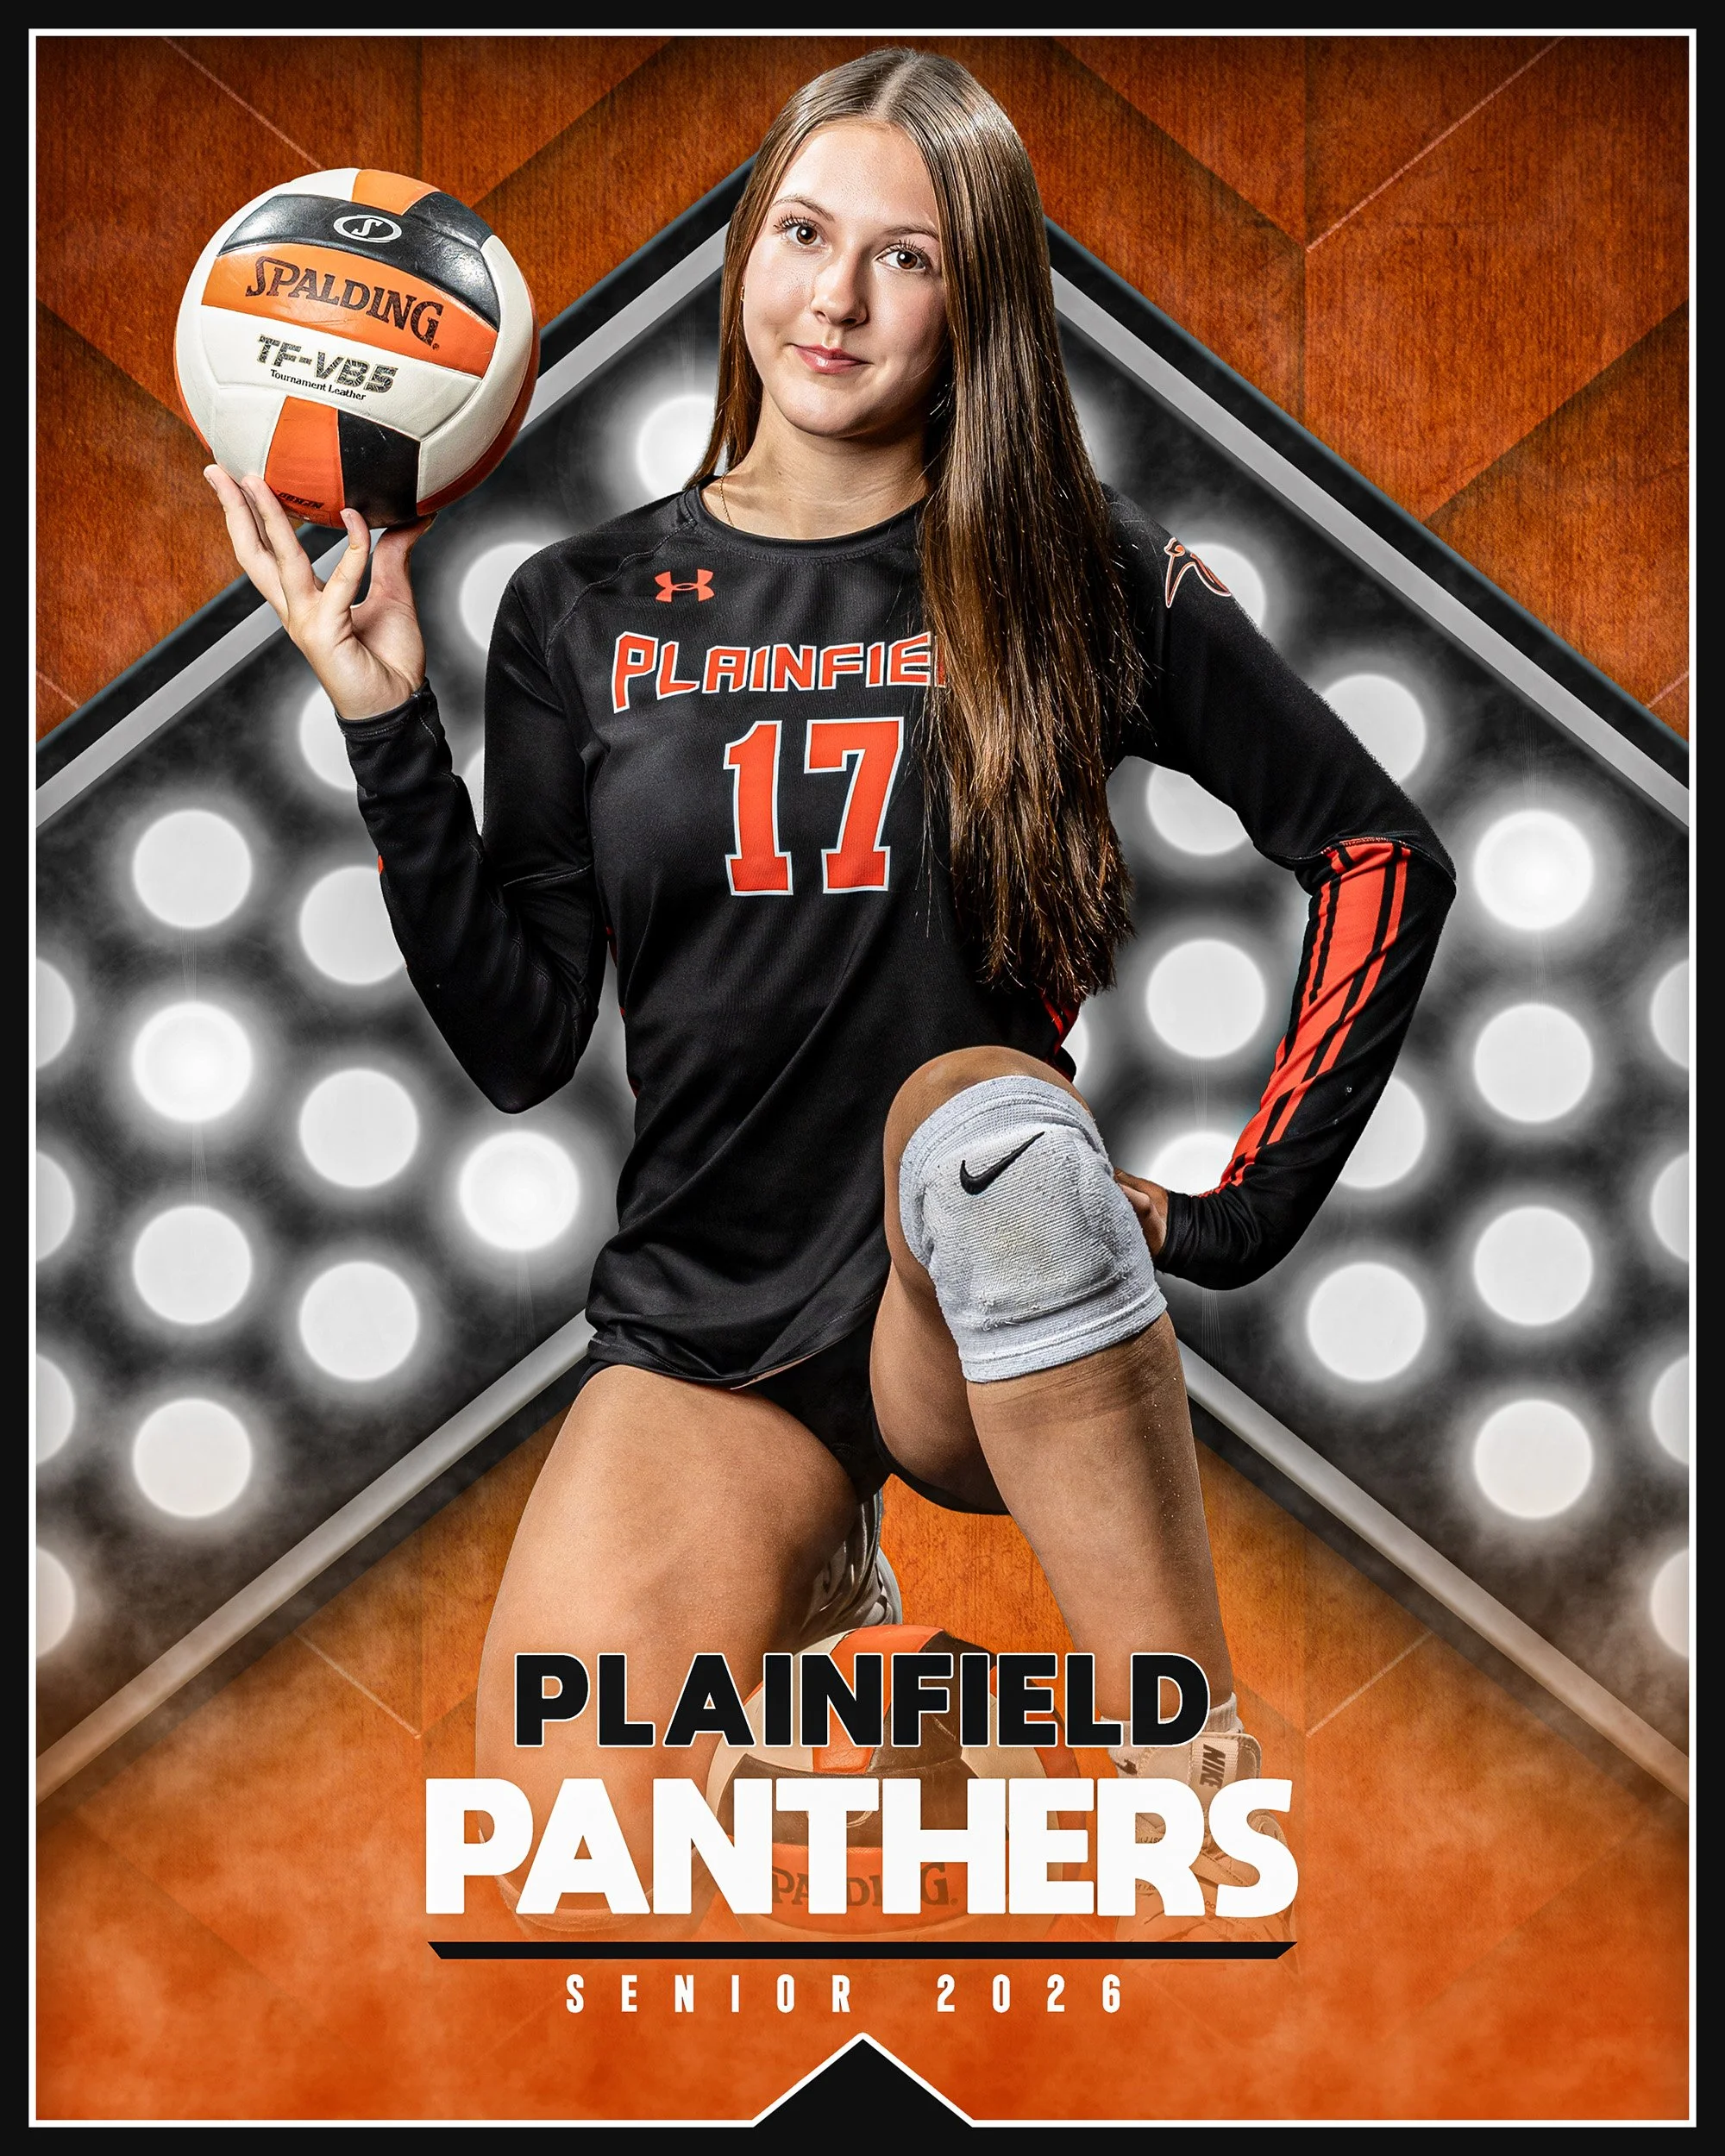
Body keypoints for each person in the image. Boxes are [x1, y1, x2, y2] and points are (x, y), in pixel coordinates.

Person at [206, 47, 1453, 1943]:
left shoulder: (1073, 573)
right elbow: (528, 1040)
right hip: (714, 1299)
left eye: (908, 258)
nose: (836, 299)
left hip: (975, 1288)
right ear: (743, 259)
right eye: (801, 235)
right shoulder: (578, 602)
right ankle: (864, 1676)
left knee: (985, 1138)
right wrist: (384, 715)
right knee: (563, 1828)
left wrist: (1235, 1211)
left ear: (981, 307)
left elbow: (1377, 850)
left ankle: (1179, 1744)